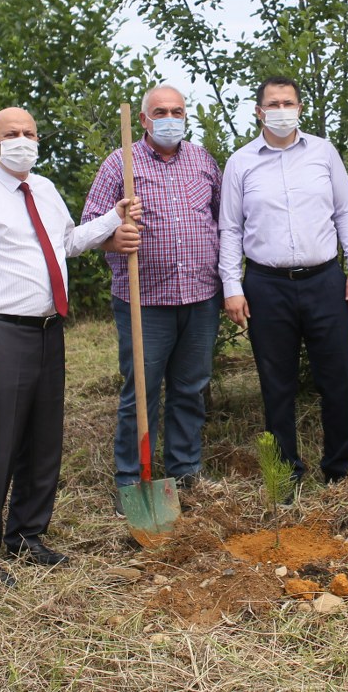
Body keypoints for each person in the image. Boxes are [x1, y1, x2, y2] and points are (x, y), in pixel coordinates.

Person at [0, 107, 141, 584]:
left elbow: (66, 243)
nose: (23, 140)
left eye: (29, 133)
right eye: (12, 134)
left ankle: (27, 535)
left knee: (43, 438)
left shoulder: (44, 190)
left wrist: (112, 218)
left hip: (49, 329)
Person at [219, 76, 348, 490]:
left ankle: (339, 470)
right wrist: (231, 286)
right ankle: (285, 475)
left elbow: (345, 212)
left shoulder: (323, 153)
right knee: (276, 384)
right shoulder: (241, 163)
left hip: (325, 280)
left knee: (339, 378)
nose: (281, 109)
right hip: (266, 285)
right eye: (272, 103)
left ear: (300, 107)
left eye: (288, 102)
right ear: (258, 111)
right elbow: (231, 229)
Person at [82, 86, 221, 512]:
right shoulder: (120, 164)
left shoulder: (203, 161)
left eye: (177, 111)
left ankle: (185, 469)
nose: (169, 118)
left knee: (190, 387)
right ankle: (131, 479)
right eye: (160, 112)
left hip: (200, 296)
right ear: (143, 120)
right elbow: (89, 228)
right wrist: (114, 238)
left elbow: (222, 219)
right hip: (144, 301)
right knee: (140, 391)